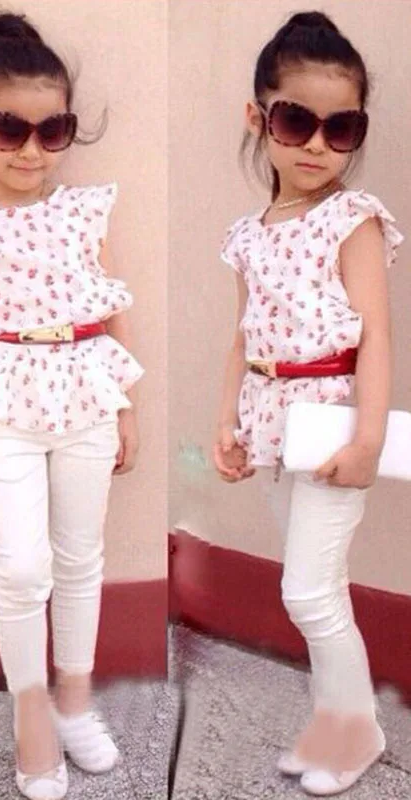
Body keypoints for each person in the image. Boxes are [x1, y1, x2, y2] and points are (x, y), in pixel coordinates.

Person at [0, 13, 144, 800]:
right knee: (20, 569)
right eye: (10, 129)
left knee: (80, 558)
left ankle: (74, 703)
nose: (32, 151)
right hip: (2, 404)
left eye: (54, 131)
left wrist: (127, 406)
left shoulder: (84, 211)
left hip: (87, 391)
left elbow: (113, 304)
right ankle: (32, 720)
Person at [214, 11, 402, 796]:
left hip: (331, 421)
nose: (318, 144)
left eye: (341, 127)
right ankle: (337, 724)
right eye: (297, 121)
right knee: (315, 590)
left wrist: (369, 440)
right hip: (273, 423)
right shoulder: (249, 232)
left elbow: (377, 336)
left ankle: (357, 732)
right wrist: (226, 421)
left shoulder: (352, 221)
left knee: (309, 592)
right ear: (259, 118)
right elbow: (242, 333)